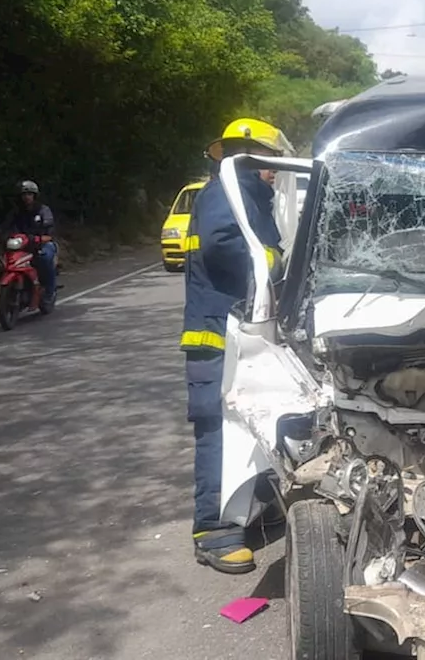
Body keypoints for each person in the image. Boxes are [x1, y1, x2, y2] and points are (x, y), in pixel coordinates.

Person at [183, 117, 288, 574]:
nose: (275, 172)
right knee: (218, 429)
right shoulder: (227, 194)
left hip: (239, 332)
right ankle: (214, 531)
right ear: (251, 160)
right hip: (219, 336)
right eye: (270, 163)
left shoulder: (245, 197)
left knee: (256, 424)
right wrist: (281, 262)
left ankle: (251, 507)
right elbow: (229, 246)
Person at [4, 180, 57, 301]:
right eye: (24, 194)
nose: (27, 197)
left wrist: (44, 237)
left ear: (35, 196)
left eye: (29, 194)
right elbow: (6, 225)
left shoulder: (43, 210)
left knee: (44, 257)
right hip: (23, 244)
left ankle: (49, 290)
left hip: (42, 243)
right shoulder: (17, 212)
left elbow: (50, 229)